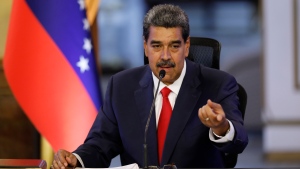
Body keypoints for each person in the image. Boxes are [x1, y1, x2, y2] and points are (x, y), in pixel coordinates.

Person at [51, 4, 248, 169]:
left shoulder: (219, 84)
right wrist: (77, 159)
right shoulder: (122, 86)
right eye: (156, 46)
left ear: (186, 46)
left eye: (174, 46)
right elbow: (100, 143)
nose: (165, 56)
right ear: (145, 46)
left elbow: (239, 140)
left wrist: (222, 127)